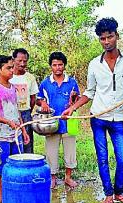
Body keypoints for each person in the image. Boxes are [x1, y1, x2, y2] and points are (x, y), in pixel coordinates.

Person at [62, 17, 123, 203]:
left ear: (117, 36)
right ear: (99, 40)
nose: (106, 41)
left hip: (118, 118)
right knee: (102, 158)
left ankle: (119, 192)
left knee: (122, 159)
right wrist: (72, 108)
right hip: (98, 117)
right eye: (102, 38)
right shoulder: (94, 64)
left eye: (110, 37)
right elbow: (89, 92)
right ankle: (107, 195)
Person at [0, 55, 30, 203]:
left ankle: (16, 198)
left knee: (17, 166)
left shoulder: (13, 87)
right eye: (9, 68)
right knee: (1, 169)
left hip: (15, 134)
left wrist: (23, 129)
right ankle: (0, 200)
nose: (12, 70)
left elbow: (16, 110)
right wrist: (7, 122)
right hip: (0, 136)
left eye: (12, 67)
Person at [38, 52, 80, 189]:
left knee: (70, 151)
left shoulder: (72, 82)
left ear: (64, 65)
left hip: (69, 122)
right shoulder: (45, 83)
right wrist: (42, 104)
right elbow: (39, 99)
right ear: (51, 66)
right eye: (54, 65)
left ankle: (68, 177)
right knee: (51, 152)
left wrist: (74, 101)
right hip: (52, 123)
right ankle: (53, 178)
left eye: (60, 64)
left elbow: (78, 100)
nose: (57, 68)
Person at [9, 48, 39, 153]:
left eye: (25, 61)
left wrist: (27, 112)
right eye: (19, 60)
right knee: (11, 142)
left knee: (27, 142)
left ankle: (28, 165)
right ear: (13, 60)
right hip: (9, 115)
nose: (22, 63)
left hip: (25, 113)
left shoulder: (30, 78)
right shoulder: (8, 76)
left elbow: (33, 98)